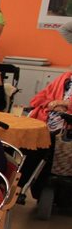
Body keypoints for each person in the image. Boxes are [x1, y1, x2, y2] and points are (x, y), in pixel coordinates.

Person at [20, 69, 72, 199]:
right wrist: (50, 104)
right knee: (25, 144)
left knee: (41, 148)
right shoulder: (64, 78)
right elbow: (36, 99)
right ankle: (17, 186)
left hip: (65, 129)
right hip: (44, 124)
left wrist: (66, 104)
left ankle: (23, 186)